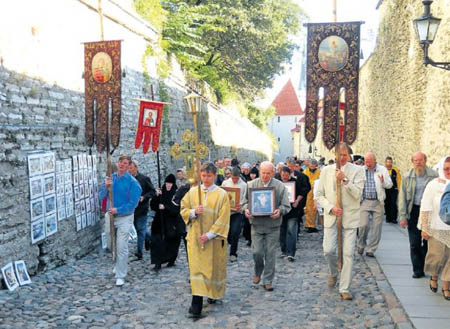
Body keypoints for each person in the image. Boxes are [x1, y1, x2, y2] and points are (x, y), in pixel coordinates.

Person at [180, 162, 231, 319]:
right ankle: (196, 305)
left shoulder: (221, 194)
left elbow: (224, 218)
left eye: (209, 176)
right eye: (203, 175)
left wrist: (210, 234)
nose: (206, 178)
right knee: (197, 270)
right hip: (195, 239)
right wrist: (194, 212)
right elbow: (183, 208)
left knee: (212, 269)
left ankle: (212, 293)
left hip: (213, 240)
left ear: (214, 176)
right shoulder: (193, 192)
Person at [316, 143, 365, 300]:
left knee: (348, 253)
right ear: (335, 155)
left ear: (349, 156)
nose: (342, 158)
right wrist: (330, 208)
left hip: (350, 218)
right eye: (340, 155)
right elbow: (319, 195)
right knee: (328, 250)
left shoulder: (358, 171)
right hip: (332, 217)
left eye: (345, 155)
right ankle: (333, 272)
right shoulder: (326, 171)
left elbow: (358, 195)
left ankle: (344, 287)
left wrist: (345, 180)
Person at [244, 161, 291, 291]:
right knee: (257, 252)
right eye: (263, 173)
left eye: (268, 173)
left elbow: (286, 206)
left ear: (273, 173)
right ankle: (258, 271)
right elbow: (244, 202)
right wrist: (246, 210)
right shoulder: (251, 185)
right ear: (259, 172)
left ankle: (268, 280)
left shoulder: (280, 186)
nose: (265, 175)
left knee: (270, 254)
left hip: (273, 226)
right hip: (256, 225)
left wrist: (279, 211)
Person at [99, 155, 142, 286]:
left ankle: (120, 274)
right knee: (111, 244)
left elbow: (132, 204)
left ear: (129, 166)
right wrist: (106, 187)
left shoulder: (133, 184)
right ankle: (117, 264)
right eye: (120, 162)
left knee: (121, 246)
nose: (122, 165)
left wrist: (119, 210)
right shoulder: (111, 179)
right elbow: (101, 196)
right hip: (110, 216)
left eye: (125, 163)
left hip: (125, 217)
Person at [399, 152, 439, 278]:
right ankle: (418, 270)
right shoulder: (407, 177)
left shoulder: (434, 176)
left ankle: (424, 263)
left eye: (420, 160)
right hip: (414, 211)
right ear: (412, 162)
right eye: (415, 160)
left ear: (425, 161)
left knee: (427, 242)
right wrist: (403, 216)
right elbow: (402, 198)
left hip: (429, 212)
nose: (418, 163)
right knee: (414, 243)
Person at [418, 156, 450, 300]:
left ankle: (446, 287)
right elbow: (426, 207)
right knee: (437, 257)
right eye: (446, 168)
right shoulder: (433, 185)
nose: (449, 171)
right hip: (436, 227)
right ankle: (434, 276)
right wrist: (425, 227)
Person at [357, 152, 392, 257]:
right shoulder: (361, 170)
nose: (367, 163)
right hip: (365, 201)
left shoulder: (382, 170)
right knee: (363, 225)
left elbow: (389, 185)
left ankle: (371, 249)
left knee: (377, 227)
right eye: (366, 161)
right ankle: (361, 244)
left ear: (374, 160)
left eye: (369, 161)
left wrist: (383, 182)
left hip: (378, 201)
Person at [150, 174, 182, 270]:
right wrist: (156, 197)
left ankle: (171, 259)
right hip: (159, 221)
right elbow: (153, 206)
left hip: (171, 222)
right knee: (157, 241)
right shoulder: (161, 192)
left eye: (170, 184)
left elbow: (177, 208)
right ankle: (157, 262)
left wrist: (166, 207)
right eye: (167, 183)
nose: (168, 185)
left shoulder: (176, 194)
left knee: (172, 242)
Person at [279, 166, 310, 261]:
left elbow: (302, 192)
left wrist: (297, 200)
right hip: (281, 210)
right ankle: (284, 250)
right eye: (282, 175)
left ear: (289, 174)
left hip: (293, 210)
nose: (284, 177)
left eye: (286, 175)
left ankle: (291, 253)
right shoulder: (278, 182)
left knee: (291, 231)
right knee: (282, 231)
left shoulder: (295, 182)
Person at [129, 160, 156, 260]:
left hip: (142, 209)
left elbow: (152, 191)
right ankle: (149, 239)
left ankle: (139, 252)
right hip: (132, 210)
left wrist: (144, 197)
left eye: (130, 168)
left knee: (140, 230)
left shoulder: (144, 179)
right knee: (139, 229)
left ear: (136, 167)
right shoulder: (127, 180)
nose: (129, 170)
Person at [222, 167, 248, 262]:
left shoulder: (244, 185)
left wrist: (240, 205)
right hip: (226, 212)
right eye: (233, 178)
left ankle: (233, 253)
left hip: (237, 212)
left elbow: (245, 199)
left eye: (236, 178)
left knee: (235, 232)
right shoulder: (225, 183)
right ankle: (227, 244)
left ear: (239, 176)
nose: (234, 180)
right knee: (227, 233)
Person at [304, 159, 321, 233]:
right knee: (308, 209)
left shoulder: (319, 172)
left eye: (314, 166)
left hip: (316, 192)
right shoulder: (305, 172)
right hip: (308, 192)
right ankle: (308, 225)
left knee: (315, 209)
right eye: (311, 166)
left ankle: (313, 225)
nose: (312, 167)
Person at [384, 156, 401, 223]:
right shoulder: (383, 170)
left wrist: (399, 188)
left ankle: (394, 218)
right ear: (385, 162)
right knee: (387, 203)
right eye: (387, 162)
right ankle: (388, 218)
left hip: (394, 190)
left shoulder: (395, 170)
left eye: (390, 162)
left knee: (393, 203)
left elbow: (399, 179)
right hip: (386, 189)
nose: (389, 163)